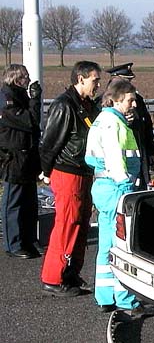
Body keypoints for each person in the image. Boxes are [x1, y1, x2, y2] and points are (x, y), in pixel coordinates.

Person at [39, 61, 102, 296]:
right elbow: (50, 142)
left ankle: (71, 272)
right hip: (68, 172)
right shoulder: (64, 105)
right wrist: (45, 171)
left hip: (83, 170)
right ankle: (53, 278)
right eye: (95, 80)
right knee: (67, 223)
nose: (97, 84)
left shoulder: (85, 105)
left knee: (81, 223)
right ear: (80, 79)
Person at [84, 78, 142, 312]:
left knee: (107, 243)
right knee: (121, 245)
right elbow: (115, 157)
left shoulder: (103, 120)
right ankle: (125, 298)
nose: (134, 105)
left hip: (104, 187)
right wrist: (126, 187)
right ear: (117, 99)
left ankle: (105, 296)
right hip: (116, 188)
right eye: (131, 100)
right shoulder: (113, 124)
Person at [0, 64, 42, 259]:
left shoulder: (20, 96)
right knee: (13, 202)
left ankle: (29, 239)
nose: (28, 79)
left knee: (29, 202)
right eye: (25, 77)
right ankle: (13, 244)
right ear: (17, 79)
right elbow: (29, 121)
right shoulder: (7, 99)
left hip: (28, 156)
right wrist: (35, 100)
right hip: (14, 157)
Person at [105, 63, 154, 190]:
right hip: (114, 165)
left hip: (138, 156)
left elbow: (147, 127)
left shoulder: (137, 100)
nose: (129, 84)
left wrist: (150, 152)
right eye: (126, 80)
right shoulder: (103, 102)